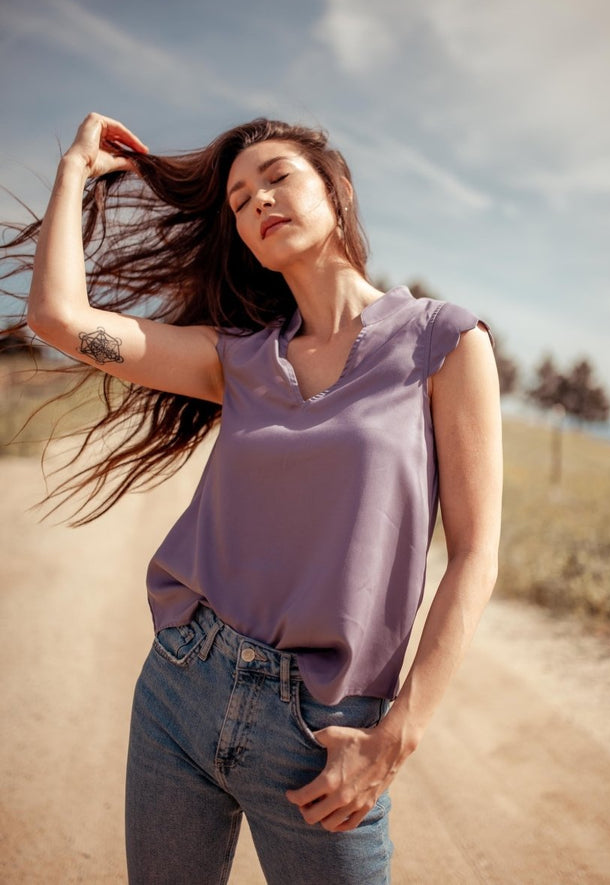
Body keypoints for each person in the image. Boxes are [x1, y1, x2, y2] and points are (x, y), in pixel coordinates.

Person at [15, 112, 502, 884]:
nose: (258, 202)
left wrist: (394, 739)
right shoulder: (238, 359)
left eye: (276, 178)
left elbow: (476, 554)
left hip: (322, 732)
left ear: (337, 191)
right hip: (183, 686)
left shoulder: (443, 343)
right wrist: (75, 169)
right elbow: (58, 320)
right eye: (240, 201)